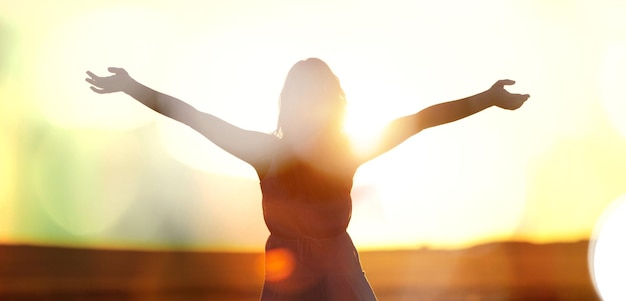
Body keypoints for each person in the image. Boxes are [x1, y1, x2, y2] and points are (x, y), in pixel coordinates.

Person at [85, 58, 529, 300]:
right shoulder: (269, 153)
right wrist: (132, 87)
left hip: (338, 272)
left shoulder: (343, 152)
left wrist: (487, 98)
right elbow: (194, 117)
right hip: (286, 276)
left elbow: (419, 120)